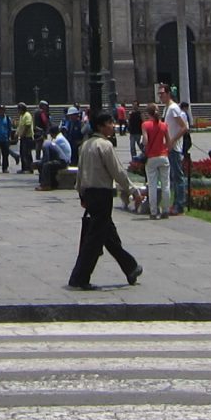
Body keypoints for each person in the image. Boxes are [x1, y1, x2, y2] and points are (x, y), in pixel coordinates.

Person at [68, 108, 142, 289]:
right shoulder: (104, 145)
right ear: (101, 126)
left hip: (89, 194)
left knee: (108, 235)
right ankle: (79, 278)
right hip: (102, 194)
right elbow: (117, 171)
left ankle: (130, 267)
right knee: (94, 239)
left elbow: (80, 172)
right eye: (109, 123)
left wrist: (81, 193)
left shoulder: (85, 145)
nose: (113, 126)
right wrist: (133, 190)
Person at [140, 104, 172, 218]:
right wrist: (165, 149)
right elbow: (169, 142)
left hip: (151, 157)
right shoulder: (164, 125)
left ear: (148, 114)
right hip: (163, 156)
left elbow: (145, 141)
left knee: (152, 185)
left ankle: (153, 212)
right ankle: (166, 210)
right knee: (166, 184)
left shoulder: (145, 125)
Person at [163, 89, 191, 217]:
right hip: (170, 147)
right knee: (174, 177)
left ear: (168, 94)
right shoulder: (167, 108)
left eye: (162, 93)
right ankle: (175, 204)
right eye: (159, 94)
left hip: (174, 148)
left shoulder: (173, 108)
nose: (160, 96)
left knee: (178, 176)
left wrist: (172, 140)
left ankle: (179, 205)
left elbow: (184, 127)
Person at [16, 103, 37, 174]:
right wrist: (17, 133)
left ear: (22, 109)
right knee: (22, 153)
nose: (18, 111)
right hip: (23, 138)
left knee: (27, 154)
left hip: (27, 137)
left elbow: (27, 126)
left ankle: (29, 169)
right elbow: (20, 126)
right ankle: (24, 168)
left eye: (19, 109)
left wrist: (23, 134)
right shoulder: (22, 116)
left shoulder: (27, 115)